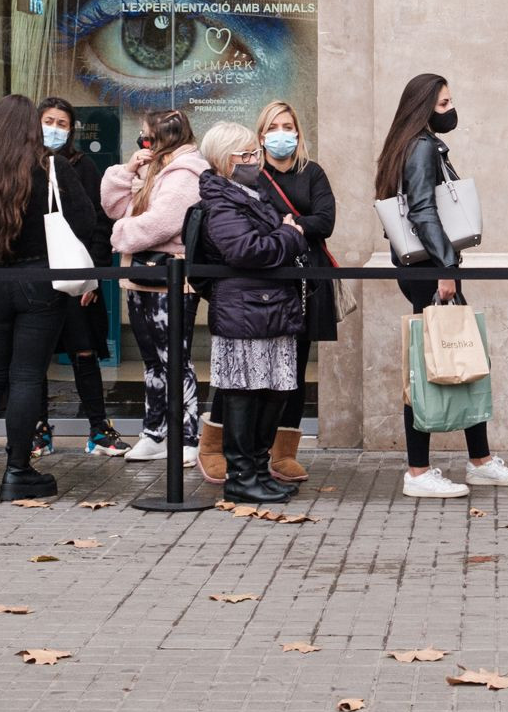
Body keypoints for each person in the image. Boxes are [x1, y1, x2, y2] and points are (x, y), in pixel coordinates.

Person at [375, 74, 508, 499]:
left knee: (457, 358)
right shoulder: (421, 147)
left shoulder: (408, 145)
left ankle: (478, 461)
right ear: (424, 108)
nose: (451, 110)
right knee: (428, 366)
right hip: (431, 268)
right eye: (443, 104)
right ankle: (419, 470)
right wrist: (446, 269)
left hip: (427, 265)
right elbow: (423, 211)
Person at [0, 93, 98, 501]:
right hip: (39, 280)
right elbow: (86, 220)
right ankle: (17, 470)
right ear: (32, 127)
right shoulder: (50, 167)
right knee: (26, 377)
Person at [194, 122, 309, 503]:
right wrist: (290, 235)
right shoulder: (222, 201)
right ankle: (242, 476)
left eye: (254, 153)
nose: (255, 160)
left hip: (267, 307)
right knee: (245, 393)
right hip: (245, 312)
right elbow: (246, 250)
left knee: (272, 392)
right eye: (246, 155)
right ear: (226, 162)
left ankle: (258, 469)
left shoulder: (249, 193)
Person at [102, 109, 207, 467]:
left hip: (171, 282)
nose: (142, 141)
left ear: (163, 138)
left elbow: (162, 223)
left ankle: (189, 436)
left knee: (175, 360)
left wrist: (119, 236)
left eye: (146, 135)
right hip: (140, 277)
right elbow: (113, 206)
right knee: (152, 362)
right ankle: (154, 432)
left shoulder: (186, 172)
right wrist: (128, 169)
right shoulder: (152, 169)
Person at [33, 98, 127, 459]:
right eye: (48, 120)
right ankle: (38, 429)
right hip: (37, 277)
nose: (54, 128)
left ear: (72, 130)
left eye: (62, 123)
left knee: (84, 352)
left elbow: (99, 223)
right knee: (35, 355)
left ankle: (99, 428)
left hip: (77, 277)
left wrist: (92, 277)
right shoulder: (24, 165)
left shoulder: (82, 166)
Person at [252, 100, 338, 486]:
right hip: (266, 283)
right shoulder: (254, 176)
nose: (282, 134)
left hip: (307, 284)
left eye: (289, 126)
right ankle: (249, 448)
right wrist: (292, 227)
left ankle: (284, 453)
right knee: (260, 367)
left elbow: (327, 220)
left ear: (298, 133)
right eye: (274, 127)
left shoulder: (311, 173)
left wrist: (292, 224)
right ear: (261, 135)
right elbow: (255, 224)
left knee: (297, 367)